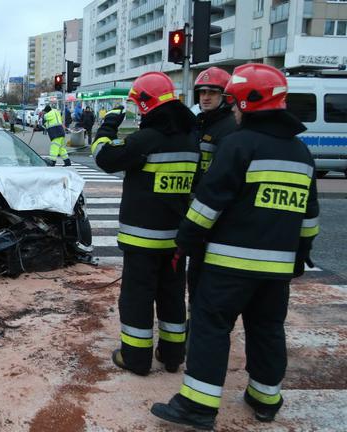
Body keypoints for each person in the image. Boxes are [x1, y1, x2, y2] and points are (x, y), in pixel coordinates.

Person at [151, 64, 320, 430]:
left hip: (229, 264)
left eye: (236, 103)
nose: (234, 109)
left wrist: (185, 241)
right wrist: (300, 256)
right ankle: (265, 398)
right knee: (267, 329)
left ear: (247, 102)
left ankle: (197, 406)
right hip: (276, 271)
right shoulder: (301, 153)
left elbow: (208, 204)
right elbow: (310, 218)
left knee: (211, 327)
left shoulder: (239, 145)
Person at [91, 72, 198, 377]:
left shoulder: (147, 139)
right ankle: (173, 354)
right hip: (176, 240)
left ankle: (136, 358)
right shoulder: (190, 139)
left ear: (147, 104)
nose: (138, 112)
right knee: (173, 298)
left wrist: (108, 125)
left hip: (143, 241)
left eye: (139, 106)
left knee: (137, 299)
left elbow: (105, 158)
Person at [185, 67, 238, 309]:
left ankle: (199, 327)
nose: (205, 97)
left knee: (206, 279)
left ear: (226, 96)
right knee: (195, 275)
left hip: (215, 218)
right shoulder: (201, 123)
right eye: (202, 92)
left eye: (212, 93)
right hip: (199, 211)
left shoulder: (228, 129)